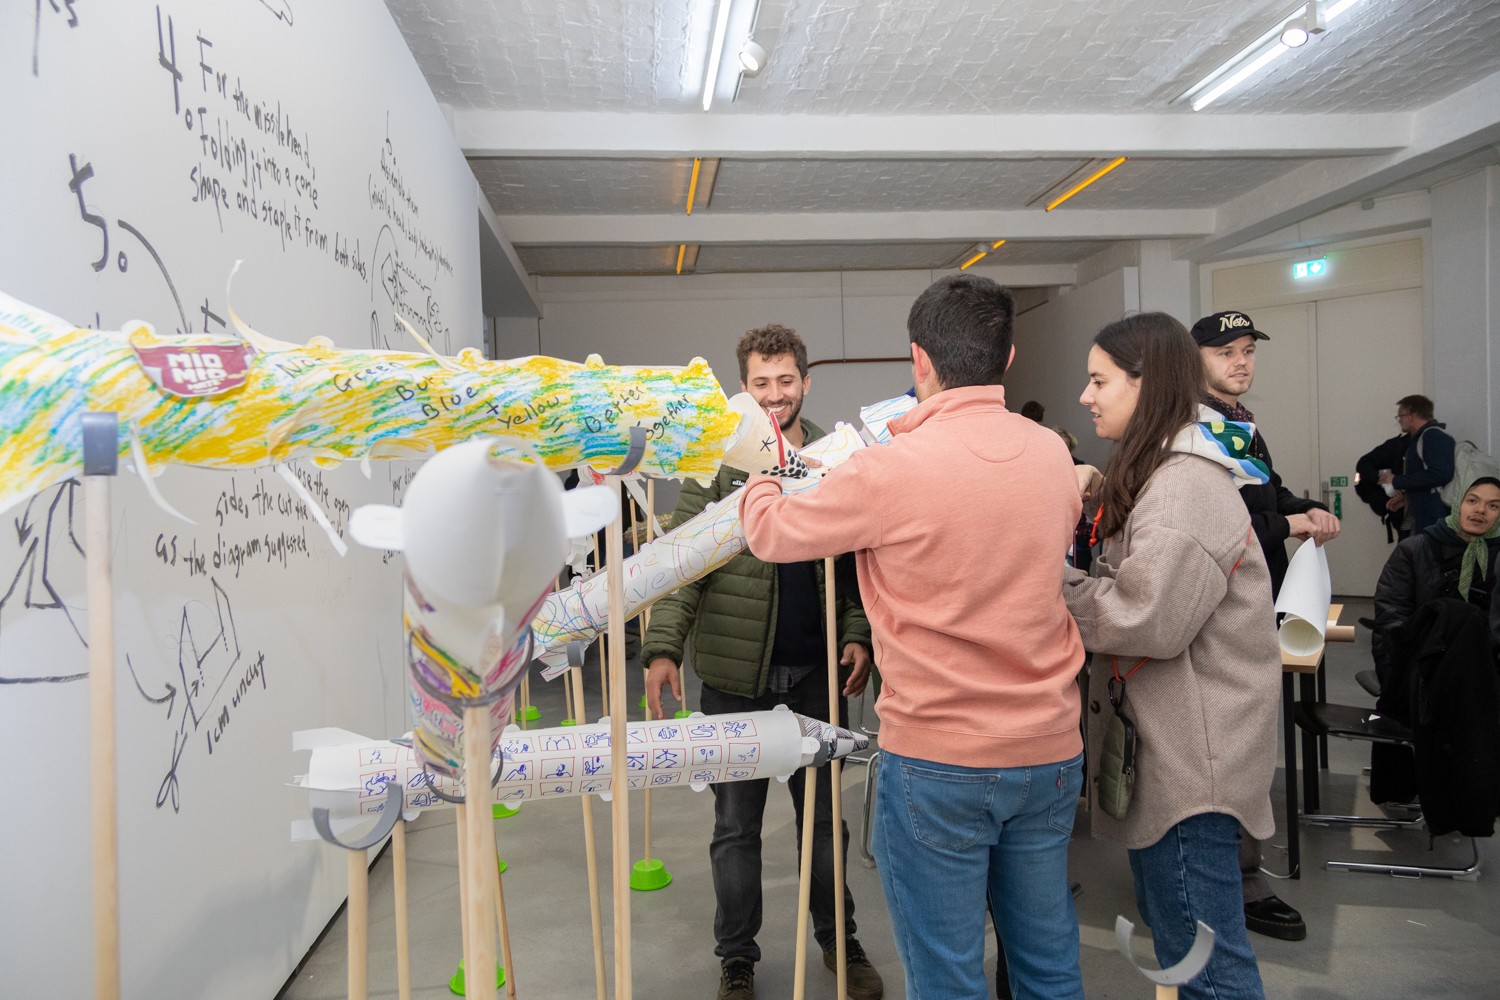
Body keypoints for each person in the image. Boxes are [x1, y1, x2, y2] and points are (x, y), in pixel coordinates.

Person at [740, 274, 1087, 1000]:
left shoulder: (889, 469)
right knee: (1047, 963)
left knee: (948, 975)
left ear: (918, 360)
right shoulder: (1054, 455)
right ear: (1010, 355)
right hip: (1049, 750)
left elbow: (770, 532)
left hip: (940, 758)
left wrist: (765, 470)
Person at [639, 322, 882, 1000]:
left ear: (805, 381)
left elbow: (859, 564)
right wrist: (662, 648)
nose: (774, 396)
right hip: (732, 678)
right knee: (736, 829)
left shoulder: (833, 464)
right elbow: (682, 566)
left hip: (815, 678)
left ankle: (842, 944)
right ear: (741, 389)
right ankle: (737, 961)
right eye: (760, 384)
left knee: (823, 826)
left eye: (785, 381)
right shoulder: (716, 468)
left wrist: (857, 632)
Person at [1064, 312, 1282, 1000]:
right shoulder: (1161, 472)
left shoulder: (1185, 485)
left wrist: (1049, 580)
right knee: (1188, 949)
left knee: (1208, 968)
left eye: (1099, 380)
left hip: (1194, 765)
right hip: (1176, 752)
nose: (1085, 395)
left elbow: (1146, 618)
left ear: (1146, 382)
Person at [1189, 308, 1339, 942]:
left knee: (1246, 749)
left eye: (1248, 350)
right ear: (1193, 358)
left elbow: (1263, 493)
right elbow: (1216, 527)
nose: (1240, 361)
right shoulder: (1191, 427)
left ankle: (1232, 875)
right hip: (1218, 611)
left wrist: (1303, 508)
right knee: (1225, 751)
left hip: (1261, 601)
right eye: (1226, 352)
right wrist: (1289, 524)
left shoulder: (1240, 423)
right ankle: (1235, 883)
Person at [1371, 474, 1500, 686]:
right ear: (1458, 503)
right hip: (1422, 667)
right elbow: (1391, 618)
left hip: (1484, 672)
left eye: (1493, 506)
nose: (1480, 510)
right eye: (1472, 501)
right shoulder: (1414, 550)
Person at [1378, 394, 1455, 536]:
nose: (1399, 420)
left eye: (1400, 416)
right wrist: (1407, 497)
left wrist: (1396, 480)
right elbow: (1427, 478)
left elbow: (1441, 474)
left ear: (1411, 416)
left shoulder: (1432, 437)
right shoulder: (1423, 438)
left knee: (1427, 556)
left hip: (1433, 517)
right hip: (1426, 515)